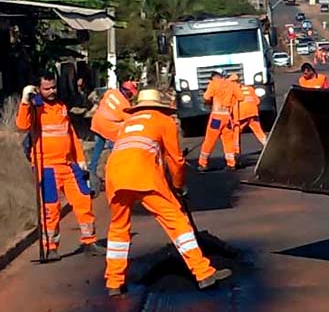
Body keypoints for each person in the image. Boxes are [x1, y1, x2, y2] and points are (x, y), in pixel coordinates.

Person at [104, 89, 231, 297]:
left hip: (114, 176)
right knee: (176, 221)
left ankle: (114, 282)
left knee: (118, 228)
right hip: (143, 176)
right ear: (160, 106)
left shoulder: (127, 123)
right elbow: (175, 160)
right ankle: (203, 273)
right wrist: (179, 185)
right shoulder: (164, 121)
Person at [16, 71, 104, 261]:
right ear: (38, 89)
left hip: (68, 165)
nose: (51, 91)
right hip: (46, 167)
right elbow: (22, 126)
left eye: (53, 87)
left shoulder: (61, 106)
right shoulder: (35, 107)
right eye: (47, 88)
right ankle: (50, 246)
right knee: (51, 208)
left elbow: (70, 133)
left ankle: (89, 241)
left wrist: (80, 158)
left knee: (83, 200)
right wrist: (25, 101)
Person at [88, 80, 139, 196]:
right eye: (131, 93)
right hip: (109, 129)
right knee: (115, 154)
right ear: (127, 92)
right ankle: (113, 176)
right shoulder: (124, 105)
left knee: (97, 150)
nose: (131, 96)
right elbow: (129, 122)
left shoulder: (111, 92)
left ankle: (92, 170)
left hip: (97, 122)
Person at [198, 71, 240, 171]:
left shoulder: (214, 84)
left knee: (209, 140)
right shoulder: (231, 85)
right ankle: (231, 163)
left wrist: (210, 101)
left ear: (213, 78)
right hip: (227, 117)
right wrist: (231, 103)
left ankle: (202, 163)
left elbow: (206, 97)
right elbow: (240, 97)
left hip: (216, 116)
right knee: (228, 140)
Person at [234, 84, 267, 153]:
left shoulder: (234, 91)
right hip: (253, 112)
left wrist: (235, 118)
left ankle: (236, 151)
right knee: (258, 131)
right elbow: (257, 101)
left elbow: (233, 105)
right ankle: (267, 145)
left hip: (242, 114)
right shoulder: (250, 88)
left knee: (236, 131)